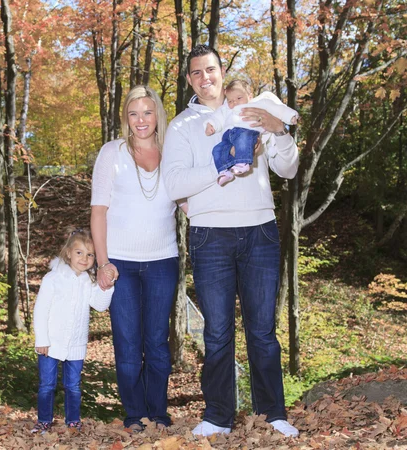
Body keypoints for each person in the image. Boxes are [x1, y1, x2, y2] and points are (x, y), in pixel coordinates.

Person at [162, 45, 300, 438]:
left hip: (260, 231)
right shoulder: (182, 126)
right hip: (209, 236)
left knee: (262, 330)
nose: (205, 78)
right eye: (196, 73)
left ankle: (272, 414)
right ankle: (218, 417)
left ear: (222, 72)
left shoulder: (252, 110)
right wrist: (222, 162)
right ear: (189, 80)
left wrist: (279, 130)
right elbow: (174, 184)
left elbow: (287, 169)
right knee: (218, 332)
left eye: (211, 70)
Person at [90, 85, 181, 432]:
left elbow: (188, 201)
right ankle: (134, 416)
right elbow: (99, 211)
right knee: (127, 343)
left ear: (157, 114)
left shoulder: (173, 154)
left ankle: (157, 414)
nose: (141, 120)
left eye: (147, 112)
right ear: (125, 118)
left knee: (157, 343)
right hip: (120, 265)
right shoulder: (111, 153)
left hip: (163, 262)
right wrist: (103, 262)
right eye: (133, 113)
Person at [31, 228, 114, 434]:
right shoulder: (53, 279)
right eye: (79, 253)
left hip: (76, 344)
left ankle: (73, 421)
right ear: (68, 253)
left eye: (90, 255)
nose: (84, 259)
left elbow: (100, 305)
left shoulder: (89, 281)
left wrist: (108, 285)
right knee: (47, 386)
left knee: (73, 386)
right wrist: (41, 339)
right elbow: (40, 310)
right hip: (50, 343)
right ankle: (44, 421)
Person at [205, 79, 299, 186]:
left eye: (239, 98)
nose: (234, 102)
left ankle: (243, 163)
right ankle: (223, 171)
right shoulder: (227, 109)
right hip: (229, 135)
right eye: (230, 101)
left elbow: (278, 109)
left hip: (246, 131)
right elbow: (218, 116)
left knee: (243, 140)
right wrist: (211, 124)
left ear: (249, 96)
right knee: (217, 149)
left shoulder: (260, 104)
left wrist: (290, 116)